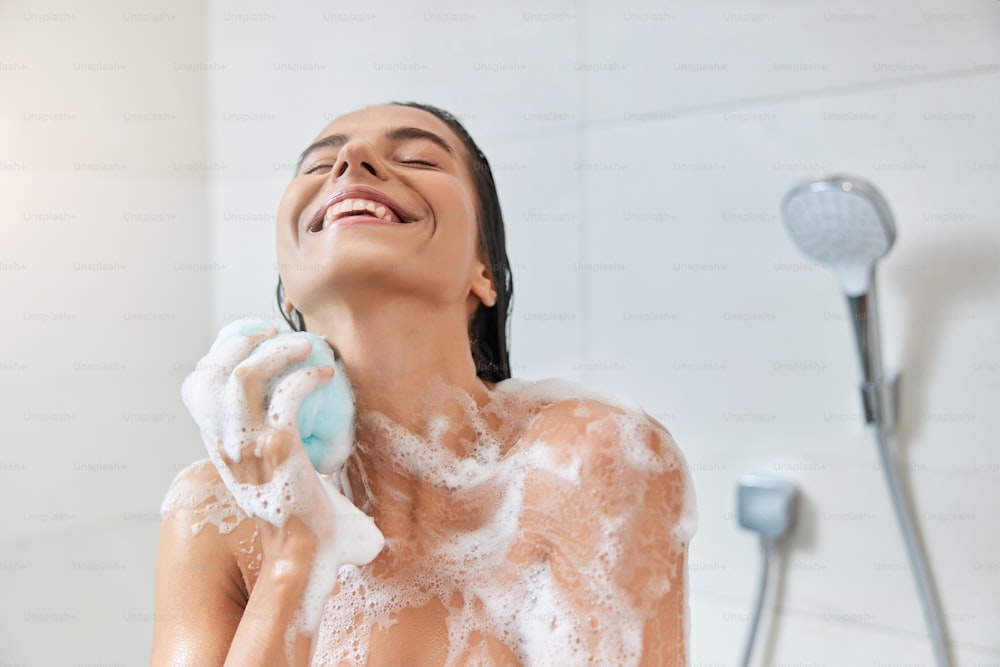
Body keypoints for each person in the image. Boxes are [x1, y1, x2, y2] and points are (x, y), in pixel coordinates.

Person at [150, 102, 694, 666]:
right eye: (318, 166)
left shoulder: (587, 462)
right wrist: (293, 556)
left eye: (417, 158)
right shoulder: (215, 511)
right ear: (288, 288)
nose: (352, 160)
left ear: (484, 271)